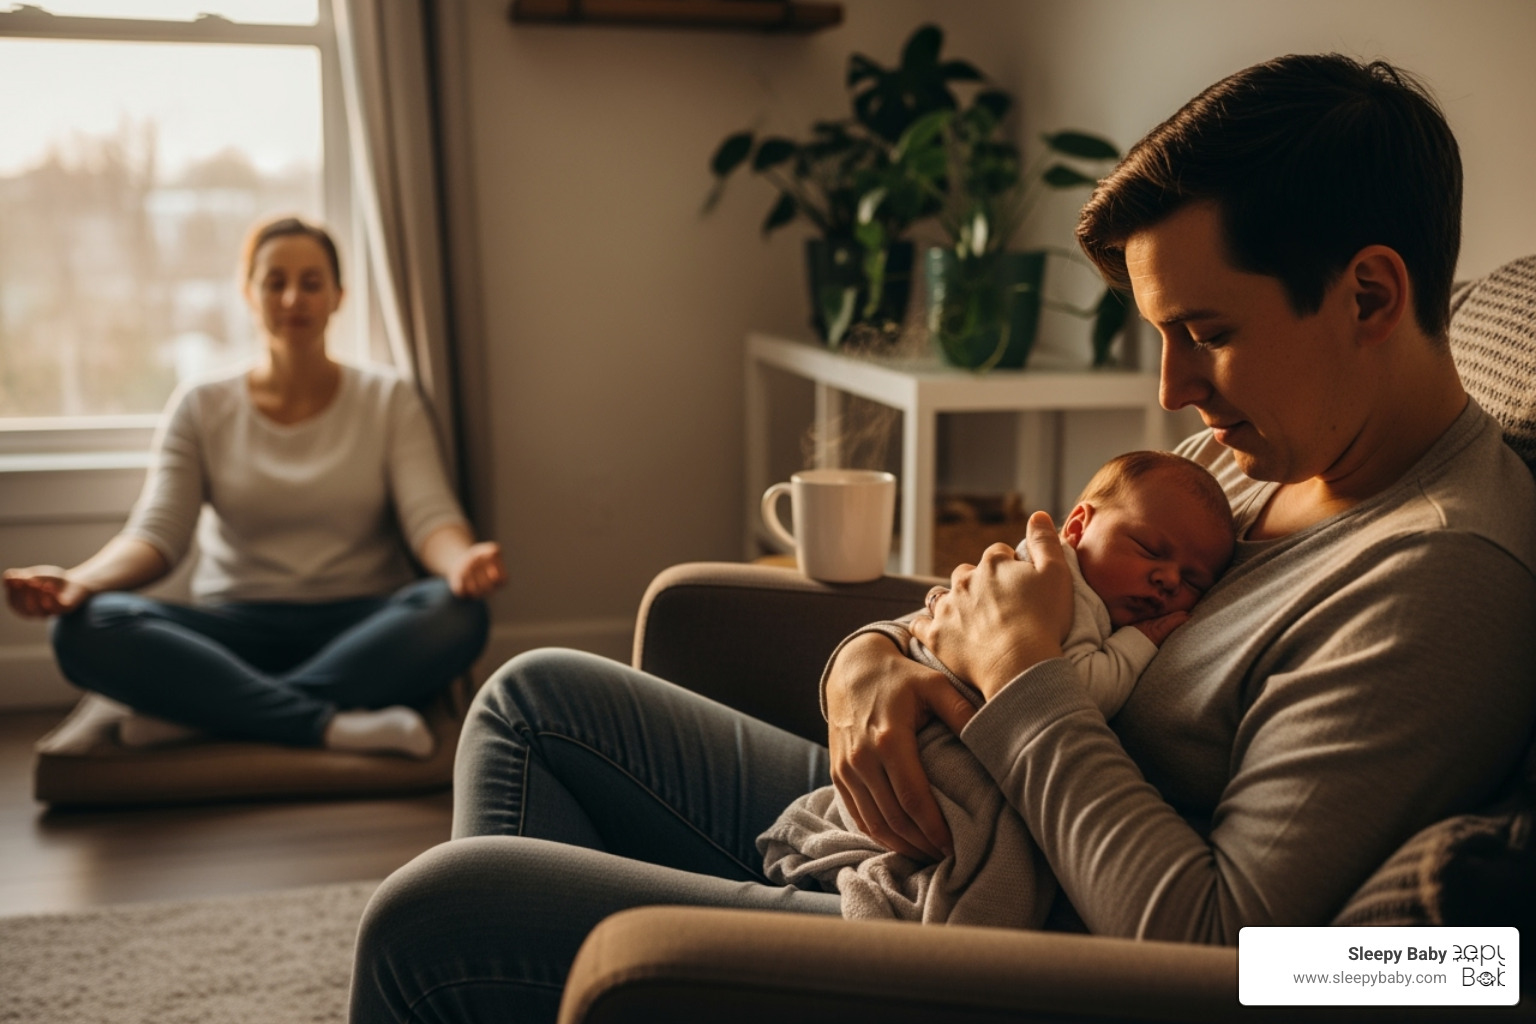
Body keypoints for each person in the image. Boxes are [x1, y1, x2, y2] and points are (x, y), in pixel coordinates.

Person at [347, 54, 1536, 1022]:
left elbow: (1220, 949)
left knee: (443, 912)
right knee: (533, 702)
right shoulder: (1274, 445)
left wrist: (1019, 683)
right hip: (956, 815)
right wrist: (871, 659)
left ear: (1370, 295)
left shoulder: (1439, 576)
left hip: (1001, 934)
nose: (1173, 390)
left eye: (1206, 332)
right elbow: (1040, 597)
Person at [3, 216, 507, 759]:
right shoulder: (201, 404)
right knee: (83, 627)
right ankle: (327, 722)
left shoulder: (389, 399)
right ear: (248, 294)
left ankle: (209, 716)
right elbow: (156, 534)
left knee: (457, 614)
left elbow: (430, 518)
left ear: (338, 296)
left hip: (359, 626)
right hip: (233, 629)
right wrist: (78, 583)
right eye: (275, 282)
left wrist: (461, 564)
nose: (293, 298)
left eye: (312, 283)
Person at [761, 451, 1235, 926]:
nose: (1169, 579)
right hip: (895, 762)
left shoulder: (1148, 536)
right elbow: (1068, 677)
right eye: (1150, 550)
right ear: (1076, 528)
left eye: (1194, 580)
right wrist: (867, 654)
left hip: (947, 807)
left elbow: (1241, 957)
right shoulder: (1085, 587)